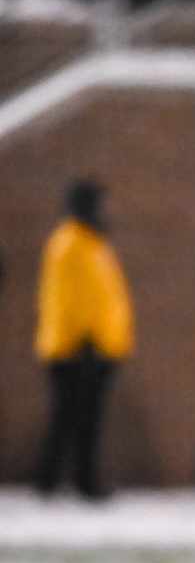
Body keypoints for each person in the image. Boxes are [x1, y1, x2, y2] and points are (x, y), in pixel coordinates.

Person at [35, 178, 135, 500]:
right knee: (70, 417)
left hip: (98, 346)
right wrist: (84, 340)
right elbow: (69, 298)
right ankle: (53, 481)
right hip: (74, 348)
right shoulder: (69, 243)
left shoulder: (92, 243)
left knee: (87, 418)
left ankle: (81, 479)